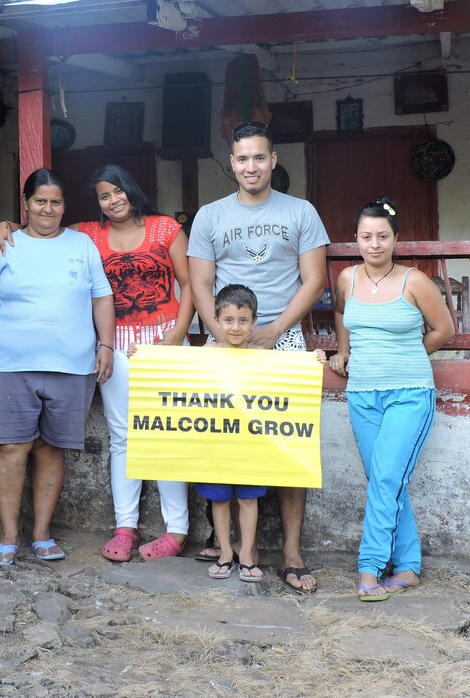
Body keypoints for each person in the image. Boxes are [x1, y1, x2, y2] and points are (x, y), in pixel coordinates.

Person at [0, 164, 194, 562]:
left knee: (169, 432)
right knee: (122, 435)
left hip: (165, 339)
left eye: (119, 191)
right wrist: (4, 225)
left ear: (132, 190)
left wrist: (177, 334)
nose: (113, 200)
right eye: (104, 195)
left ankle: (177, 530)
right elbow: (41, 225)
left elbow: (189, 284)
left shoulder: (166, 228)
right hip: (115, 343)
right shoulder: (88, 234)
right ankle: (125, 526)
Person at [187, 120, 328, 593]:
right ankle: (226, 542)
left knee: (290, 443)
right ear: (232, 163)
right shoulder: (210, 216)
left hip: (281, 339)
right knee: (220, 438)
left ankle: (291, 552)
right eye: (243, 158)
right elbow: (201, 284)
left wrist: (274, 330)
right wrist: (222, 337)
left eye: (259, 157)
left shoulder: (301, 211)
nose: (252, 166)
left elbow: (314, 279)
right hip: (225, 339)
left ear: (273, 160)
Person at [0, 168, 115, 567]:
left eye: (55, 202)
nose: (47, 209)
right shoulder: (3, 244)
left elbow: (101, 298)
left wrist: (105, 344)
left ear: (64, 206)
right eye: (40, 201)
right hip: (10, 364)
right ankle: (7, 536)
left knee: (51, 449)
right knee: (9, 447)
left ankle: (41, 534)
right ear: (26, 203)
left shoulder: (82, 244)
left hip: (72, 364)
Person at [326, 197, 454, 601]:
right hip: (362, 396)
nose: (374, 244)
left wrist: (407, 355)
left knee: (385, 480)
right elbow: (342, 315)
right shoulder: (347, 278)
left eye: (382, 236)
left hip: (409, 394)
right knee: (386, 480)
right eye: (366, 237)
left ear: (396, 239)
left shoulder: (414, 282)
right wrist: (343, 350)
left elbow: (443, 329)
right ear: (356, 239)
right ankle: (409, 567)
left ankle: (369, 568)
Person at [130, 284, 267, 582]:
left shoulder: (262, 355)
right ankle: (225, 553)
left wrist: (315, 361)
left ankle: (246, 555)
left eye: (243, 320)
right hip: (215, 444)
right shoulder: (205, 353)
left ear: (254, 322)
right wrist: (144, 357)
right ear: (216, 321)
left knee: (248, 500)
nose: (235, 327)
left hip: (250, 446)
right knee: (220, 500)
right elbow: (177, 371)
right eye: (228, 320)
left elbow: (287, 378)